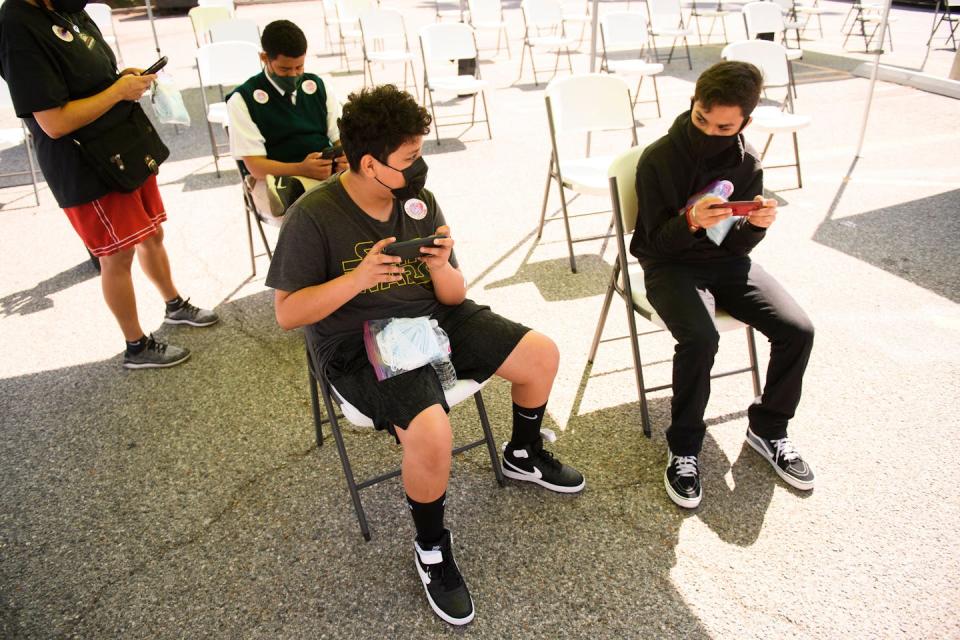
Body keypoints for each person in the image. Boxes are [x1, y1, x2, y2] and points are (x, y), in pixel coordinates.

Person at [266, 85, 585, 626]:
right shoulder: (313, 216)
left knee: (540, 355)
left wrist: (439, 267)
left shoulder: (418, 201)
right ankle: (432, 547)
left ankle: (524, 452)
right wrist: (358, 278)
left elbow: (455, 295)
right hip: (356, 341)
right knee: (433, 431)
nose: (421, 166)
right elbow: (288, 313)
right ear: (371, 163)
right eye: (410, 156)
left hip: (432, 319)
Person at [631, 61, 815, 509]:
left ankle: (768, 429)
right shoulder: (659, 158)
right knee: (701, 336)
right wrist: (690, 221)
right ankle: (685, 445)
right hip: (669, 267)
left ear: (745, 122)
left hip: (728, 265)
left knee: (798, 331)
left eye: (724, 126)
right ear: (693, 104)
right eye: (701, 119)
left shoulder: (747, 160)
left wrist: (757, 226)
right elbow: (648, 246)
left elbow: (737, 249)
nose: (710, 132)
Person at [0, 0, 218, 369]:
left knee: (152, 234)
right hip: (84, 162)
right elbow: (54, 122)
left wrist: (120, 79)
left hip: (122, 142)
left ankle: (174, 304)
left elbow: (86, 73)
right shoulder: (17, 25)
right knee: (116, 255)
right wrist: (117, 92)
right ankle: (136, 345)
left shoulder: (64, 8)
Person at [226, 19, 345, 217]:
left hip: (324, 173)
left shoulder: (319, 87)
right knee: (315, 212)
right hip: (271, 180)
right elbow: (255, 166)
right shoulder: (243, 99)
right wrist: (301, 169)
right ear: (264, 58)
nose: (294, 75)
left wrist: (345, 157)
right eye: (285, 69)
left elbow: (341, 139)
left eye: (299, 67)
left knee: (369, 196)